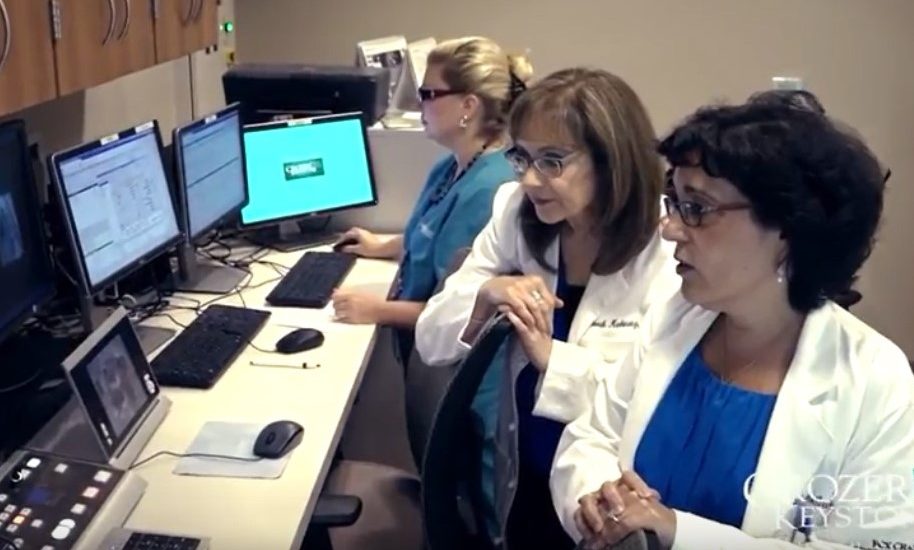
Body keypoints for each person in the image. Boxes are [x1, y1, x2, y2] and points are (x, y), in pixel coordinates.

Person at [551, 101, 914, 549]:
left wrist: (678, 535)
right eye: (674, 202)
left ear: (787, 229)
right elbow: (592, 435)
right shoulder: (674, 318)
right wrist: (595, 498)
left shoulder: (876, 379)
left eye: (696, 208)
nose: (669, 229)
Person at [415, 68, 679, 548]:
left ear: (611, 161)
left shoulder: (668, 251)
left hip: (610, 490)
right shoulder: (515, 212)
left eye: (553, 161)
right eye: (523, 157)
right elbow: (431, 339)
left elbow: (649, 408)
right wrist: (484, 296)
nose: (531, 179)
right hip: (525, 466)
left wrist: (552, 359)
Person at [331, 36, 533, 359]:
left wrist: (376, 310)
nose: (418, 104)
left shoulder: (488, 191)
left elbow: (453, 313)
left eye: (428, 94)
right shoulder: (451, 167)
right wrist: (381, 246)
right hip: (424, 351)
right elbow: (435, 234)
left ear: (468, 106)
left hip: (458, 375)